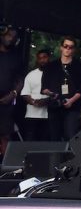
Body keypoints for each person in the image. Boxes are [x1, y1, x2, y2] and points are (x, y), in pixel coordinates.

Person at [42, 36, 81, 141]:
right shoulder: (51, 66)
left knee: (70, 135)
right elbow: (44, 88)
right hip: (55, 106)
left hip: (72, 107)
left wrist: (71, 101)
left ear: (74, 50)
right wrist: (52, 94)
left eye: (71, 47)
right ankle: (54, 157)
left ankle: (70, 157)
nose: (68, 49)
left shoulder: (80, 66)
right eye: (66, 46)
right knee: (54, 136)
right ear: (61, 48)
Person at [0, 26, 24, 154]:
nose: (11, 39)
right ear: (3, 35)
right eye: (9, 35)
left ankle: (4, 168)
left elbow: (21, 80)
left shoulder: (16, 57)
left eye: (14, 37)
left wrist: (13, 94)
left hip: (7, 101)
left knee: (5, 135)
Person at [20, 49, 51, 141]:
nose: (42, 60)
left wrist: (45, 101)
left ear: (49, 58)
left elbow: (58, 94)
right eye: (40, 58)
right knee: (29, 142)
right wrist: (34, 102)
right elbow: (24, 94)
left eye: (44, 57)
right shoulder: (31, 75)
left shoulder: (55, 74)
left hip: (48, 115)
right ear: (37, 60)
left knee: (45, 143)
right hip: (31, 115)